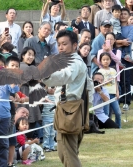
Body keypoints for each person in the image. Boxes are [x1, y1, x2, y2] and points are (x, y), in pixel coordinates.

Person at [43, 29, 91, 167]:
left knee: (68, 155)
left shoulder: (74, 62)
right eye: (59, 44)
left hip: (70, 111)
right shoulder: (73, 61)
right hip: (72, 110)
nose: (61, 47)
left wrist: (47, 76)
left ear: (75, 45)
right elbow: (90, 85)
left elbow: (65, 75)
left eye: (64, 44)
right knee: (66, 153)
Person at [98, 52, 121, 128]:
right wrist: (106, 81)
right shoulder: (100, 71)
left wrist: (117, 92)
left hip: (113, 94)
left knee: (117, 112)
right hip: (105, 95)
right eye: (103, 59)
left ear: (110, 60)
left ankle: (118, 126)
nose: (105, 61)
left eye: (107, 59)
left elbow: (115, 83)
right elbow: (99, 84)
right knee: (106, 112)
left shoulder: (113, 70)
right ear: (100, 61)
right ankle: (107, 126)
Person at [117, 8, 133, 110]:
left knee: (126, 80)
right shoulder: (116, 27)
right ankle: (118, 100)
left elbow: (129, 41)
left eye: (125, 14)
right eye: (121, 14)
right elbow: (111, 40)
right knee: (118, 80)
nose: (122, 16)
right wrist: (120, 42)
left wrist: (118, 41)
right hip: (116, 57)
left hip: (126, 57)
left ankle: (127, 101)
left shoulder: (131, 27)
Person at [42, 87, 57, 152]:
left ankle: (52, 146)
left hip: (54, 118)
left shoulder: (57, 96)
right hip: (46, 117)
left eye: (53, 87)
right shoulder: (44, 96)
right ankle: (46, 146)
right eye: (50, 87)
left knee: (52, 133)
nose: (51, 89)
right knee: (46, 133)